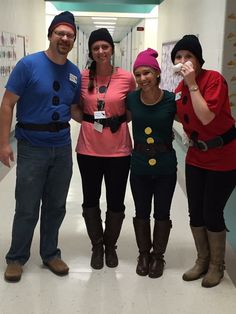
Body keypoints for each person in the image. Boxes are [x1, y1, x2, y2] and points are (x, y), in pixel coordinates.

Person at [0, 11, 81, 282]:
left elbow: (74, 109)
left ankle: (50, 254)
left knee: (56, 205)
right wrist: (3, 143)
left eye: (69, 35)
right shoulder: (28, 65)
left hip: (62, 146)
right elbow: (8, 103)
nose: (65, 38)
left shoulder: (73, 73)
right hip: (32, 145)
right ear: (50, 35)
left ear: (73, 41)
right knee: (27, 205)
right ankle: (16, 257)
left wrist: (106, 116)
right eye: (60, 33)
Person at [171, 35, 236, 287]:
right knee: (195, 210)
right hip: (196, 155)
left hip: (223, 156)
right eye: (178, 57)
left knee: (212, 211)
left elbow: (207, 116)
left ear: (198, 60)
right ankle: (202, 260)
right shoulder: (179, 90)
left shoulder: (213, 80)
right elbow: (180, 116)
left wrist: (192, 83)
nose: (183, 61)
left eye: (189, 56)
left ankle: (216, 266)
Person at [75, 28, 136, 270]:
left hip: (119, 151)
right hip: (88, 150)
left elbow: (132, 109)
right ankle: (97, 245)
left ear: (112, 49)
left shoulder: (126, 77)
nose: (101, 51)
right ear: (90, 51)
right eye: (96, 47)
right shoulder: (81, 77)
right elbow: (75, 108)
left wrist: (115, 122)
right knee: (90, 198)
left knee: (116, 200)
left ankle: (111, 246)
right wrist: (92, 123)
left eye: (105, 47)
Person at [126, 48, 177, 278]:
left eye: (146, 72)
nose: (142, 78)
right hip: (139, 165)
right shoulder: (131, 99)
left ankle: (158, 257)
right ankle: (144, 254)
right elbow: (117, 116)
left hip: (166, 165)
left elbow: (190, 119)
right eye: (138, 74)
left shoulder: (170, 99)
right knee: (141, 211)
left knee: (162, 213)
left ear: (157, 73)